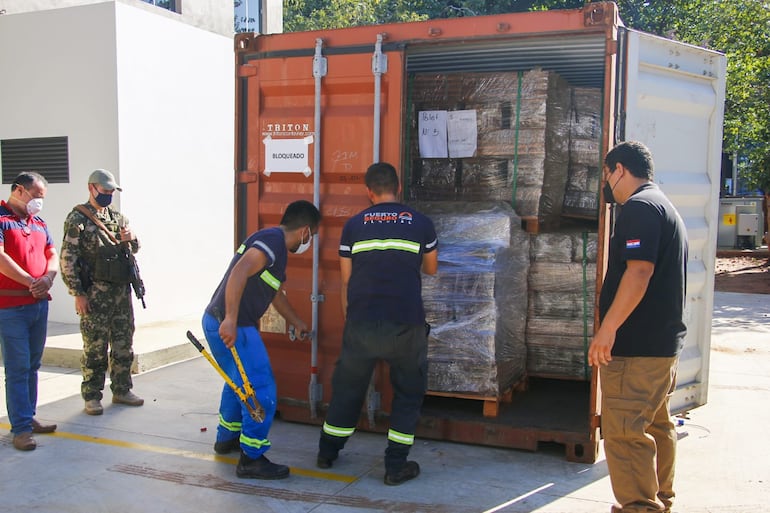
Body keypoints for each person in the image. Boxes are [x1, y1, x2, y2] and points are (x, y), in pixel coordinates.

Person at [317, 162, 438, 486]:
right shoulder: (421, 223)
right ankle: (395, 465)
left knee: (347, 389)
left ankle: (327, 452)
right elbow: (431, 269)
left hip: (362, 322)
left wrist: (351, 320)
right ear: (398, 188)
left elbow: (346, 281)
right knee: (408, 393)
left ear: (368, 192)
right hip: (405, 324)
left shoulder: (353, 225)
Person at [588, 141, 688, 513]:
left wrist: (607, 329)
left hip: (637, 349)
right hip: (659, 347)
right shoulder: (662, 204)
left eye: (606, 174)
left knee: (625, 432)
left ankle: (639, 507)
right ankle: (660, 499)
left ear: (620, 170)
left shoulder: (640, 209)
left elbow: (640, 271)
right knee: (656, 425)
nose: (606, 183)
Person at [203, 199, 321, 480]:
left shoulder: (273, 245)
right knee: (262, 389)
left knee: (237, 383)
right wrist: (231, 319)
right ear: (305, 231)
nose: (310, 242)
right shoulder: (273, 241)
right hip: (233, 325)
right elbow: (240, 271)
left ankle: (226, 439)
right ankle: (251, 458)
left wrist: (297, 322)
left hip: (216, 321)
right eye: (312, 236)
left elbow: (276, 294)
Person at [60, 169, 143, 416]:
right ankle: (92, 396)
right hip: (95, 293)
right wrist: (78, 293)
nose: (108, 195)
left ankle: (122, 389)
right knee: (95, 347)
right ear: (92, 188)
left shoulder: (118, 217)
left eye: (111, 192)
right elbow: (68, 259)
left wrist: (132, 238)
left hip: (120, 292)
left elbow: (134, 248)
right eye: (105, 191)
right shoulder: (78, 219)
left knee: (123, 343)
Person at [0, 172, 59, 451]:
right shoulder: (2, 219)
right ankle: (21, 429)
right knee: (18, 367)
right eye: (36, 196)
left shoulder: (38, 223)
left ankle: (28, 416)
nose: (39, 203)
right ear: (19, 191)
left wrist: (48, 277)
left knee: (33, 365)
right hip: (10, 307)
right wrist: (30, 282)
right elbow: (1, 258)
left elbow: (52, 253)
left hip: (37, 305)